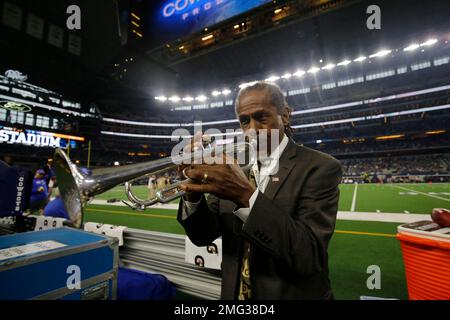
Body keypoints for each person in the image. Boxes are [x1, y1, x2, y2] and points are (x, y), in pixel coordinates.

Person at [177, 82, 342, 300]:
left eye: (261, 117)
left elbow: (308, 256)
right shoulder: (234, 168)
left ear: (285, 115)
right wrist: (192, 192)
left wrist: (245, 195)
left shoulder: (320, 166)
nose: (252, 129)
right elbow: (202, 236)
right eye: (244, 121)